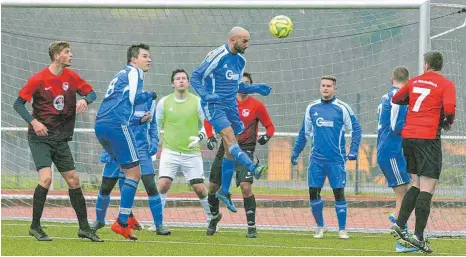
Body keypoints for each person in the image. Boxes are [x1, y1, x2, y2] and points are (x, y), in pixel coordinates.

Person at [13, 41, 102, 242]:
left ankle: (85, 228)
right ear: (56, 56)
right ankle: (35, 227)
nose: (71, 55)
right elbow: (17, 104)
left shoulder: (71, 77)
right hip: (40, 138)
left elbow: (92, 93)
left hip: (60, 138)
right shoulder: (38, 79)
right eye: (67, 52)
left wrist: (84, 100)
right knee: (46, 179)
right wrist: (34, 122)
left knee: (74, 180)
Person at [191, 26, 271, 213]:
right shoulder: (217, 55)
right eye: (245, 41)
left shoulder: (241, 60)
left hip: (231, 106)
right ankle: (254, 167)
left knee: (229, 150)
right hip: (214, 106)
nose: (247, 45)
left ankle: (224, 191)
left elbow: (237, 86)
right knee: (230, 140)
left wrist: (255, 88)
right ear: (233, 40)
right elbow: (195, 76)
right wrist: (205, 95)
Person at [390, 51, 456, 253]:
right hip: (428, 138)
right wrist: (447, 122)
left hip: (409, 137)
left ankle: (400, 226)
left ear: (426, 65)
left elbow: (398, 98)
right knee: (428, 187)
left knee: (415, 184)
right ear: (440, 66)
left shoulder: (415, 81)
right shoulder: (446, 84)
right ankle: (418, 237)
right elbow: (450, 109)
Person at [94, 43, 158, 240]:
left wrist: (138, 120)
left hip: (101, 124)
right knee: (135, 172)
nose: (149, 59)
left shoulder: (120, 75)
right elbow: (134, 99)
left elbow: (120, 101)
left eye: (149, 56)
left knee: (125, 171)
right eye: (145, 56)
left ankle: (126, 218)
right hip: (116, 125)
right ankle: (122, 222)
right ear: (134, 59)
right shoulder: (135, 72)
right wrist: (149, 95)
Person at [205, 72, 275, 238]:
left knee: (245, 186)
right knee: (213, 187)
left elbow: (270, 126)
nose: (243, 86)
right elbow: (208, 119)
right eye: (240, 83)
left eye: (246, 83)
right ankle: (214, 217)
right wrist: (209, 136)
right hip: (226, 148)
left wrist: (267, 136)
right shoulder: (226, 102)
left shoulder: (257, 105)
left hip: (246, 150)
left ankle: (251, 227)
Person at [291, 75, 362, 240]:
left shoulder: (342, 108)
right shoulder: (312, 108)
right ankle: (320, 227)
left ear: (334, 88)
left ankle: (342, 230)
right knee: (313, 193)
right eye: (323, 85)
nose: (325, 88)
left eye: (329, 86)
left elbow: (356, 130)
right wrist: (296, 152)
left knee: (339, 193)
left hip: (336, 160)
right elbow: (304, 133)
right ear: (319, 88)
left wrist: (353, 151)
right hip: (316, 160)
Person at [92, 97, 170, 236]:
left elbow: (153, 125)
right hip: (118, 145)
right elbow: (111, 123)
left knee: (150, 185)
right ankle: (99, 220)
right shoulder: (116, 100)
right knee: (106, 187)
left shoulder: (149, 101)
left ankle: (159, 226)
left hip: (140, 148)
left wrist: (153, 141)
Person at [148, 69, 212, 231]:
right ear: (172, 83)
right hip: (170, 151)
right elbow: (155, 125)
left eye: (184, 78)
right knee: (163, 184)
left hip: (192, 153)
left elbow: (207, 124)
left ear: (188, 82)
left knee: (199, 188)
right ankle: (158, 222)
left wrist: (200, 137)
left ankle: (212, 219)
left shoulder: (197, 102)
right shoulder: (164, 102)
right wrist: (154, 147)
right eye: (178, 79)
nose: (181, 81)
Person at [377, 66, 417, 253]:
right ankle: (402, 241)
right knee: (405, 194)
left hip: (389, 151)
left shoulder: (387, 96)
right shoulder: (399, 98)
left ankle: (397, 218)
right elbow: (396, 126)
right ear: (408, 81)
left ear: (391, 79)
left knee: (406, 192)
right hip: (392, 151)